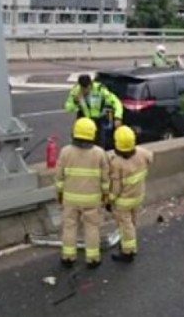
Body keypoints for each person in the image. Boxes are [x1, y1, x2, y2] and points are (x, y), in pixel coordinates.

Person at [55, 118, 110, 269]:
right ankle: (93, 258)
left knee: (69, 227)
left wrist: (59, 193)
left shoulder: (65, 152)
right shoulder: (99, 153)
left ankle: (68, 257)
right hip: (92, 200)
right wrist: (105, 195)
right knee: (92, 228)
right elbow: (105, 179)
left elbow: (59, 177)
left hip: (70, 199)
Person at [108, 125, 153, 263]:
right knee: (132, 221)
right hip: (138, 196)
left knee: (125, 225)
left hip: (123, 201)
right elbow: (150, 157)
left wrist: (109, 200)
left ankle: (128, 251)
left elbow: (115, 188)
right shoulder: (142, 153)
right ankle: (129, 243)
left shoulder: (117, 163)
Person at [64, 74, 123, 148]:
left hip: (98, 119)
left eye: (87, 88)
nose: (85, 91)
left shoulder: (99, 89)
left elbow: (116, 102)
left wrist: (118, 117)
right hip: (84, 119)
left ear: (91, 84)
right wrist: (75, 101)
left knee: (99, 144)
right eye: (83, 88)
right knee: (79, 142)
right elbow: (68, 107)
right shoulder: (76, 91)